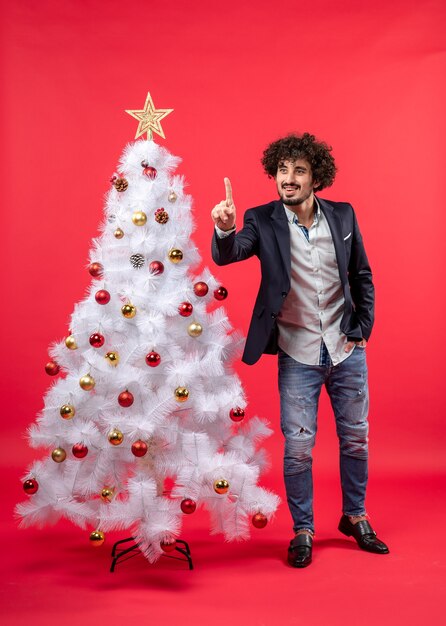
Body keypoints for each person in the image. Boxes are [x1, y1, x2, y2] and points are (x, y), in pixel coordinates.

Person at [211, 133, 389, 568]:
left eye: (298, 171)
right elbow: (230, 253)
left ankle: (355, 516)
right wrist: (225, 227)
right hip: (297, 351)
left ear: (316, 178)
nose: (288, 180)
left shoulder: (343, 216)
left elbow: (361, 273)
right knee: (298, 447)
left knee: (356, 439)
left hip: (346, 349)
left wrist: (363, 325)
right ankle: (303, 530)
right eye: (282, 171)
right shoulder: (262, 218)